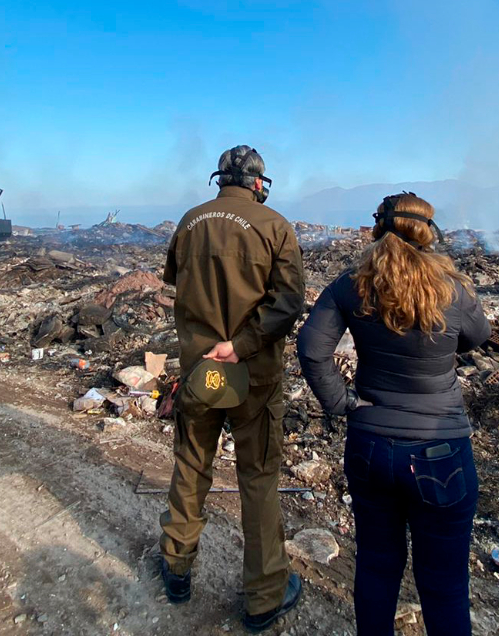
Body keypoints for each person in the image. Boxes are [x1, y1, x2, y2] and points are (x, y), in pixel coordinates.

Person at [296, 192, 491, 636]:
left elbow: (311, 350)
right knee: (445, 588)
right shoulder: (453, 287)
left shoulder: (351, 284)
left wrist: (341, 403)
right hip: (442, 451)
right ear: (428, 232)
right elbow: (479, 336)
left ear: (378, 227)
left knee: (377, 569)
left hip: (371, 448)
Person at [159, 145, 306, 633]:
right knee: (259, 479)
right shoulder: (275, 226)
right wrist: (240, 345)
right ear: (259, 182)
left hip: (200, 372)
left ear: (220, 179)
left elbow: (176, 283)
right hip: (254, 377)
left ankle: (176, 567)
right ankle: (263, 596)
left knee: (191, 465)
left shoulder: (188, 222)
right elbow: (287, 305)